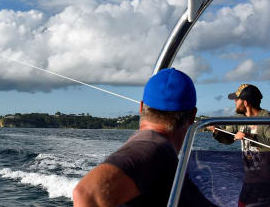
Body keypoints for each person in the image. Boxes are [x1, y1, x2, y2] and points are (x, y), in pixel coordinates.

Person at [73, 68, 216, 207]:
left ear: (141, 108)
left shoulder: (156, 148)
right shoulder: (154, 148)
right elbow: (87, 193)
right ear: (192, 116)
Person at [208, 84, 270, 207]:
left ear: (246, 103)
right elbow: (229, 138)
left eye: (237, 99)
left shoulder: (266, 119)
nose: (235, 102)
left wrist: (251, 137)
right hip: (250, 181)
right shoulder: (239, 119)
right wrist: (217, 131)